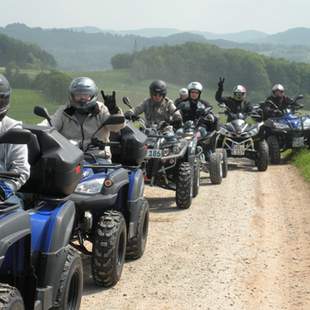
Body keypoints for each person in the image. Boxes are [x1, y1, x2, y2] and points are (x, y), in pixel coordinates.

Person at [46, 77, 124, 159]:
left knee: (105, 171)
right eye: (78, 95)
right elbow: (50, 124)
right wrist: (36, 130)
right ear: (72, 95)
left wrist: (114, 112)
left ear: (92, 95)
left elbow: (115, 128)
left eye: (86, 95)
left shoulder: (101, 109)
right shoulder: (64, 111)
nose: (82, 98)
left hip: (98, 157)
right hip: (70, 157)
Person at [0, 74, 30, 201]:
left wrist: (4, 190)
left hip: (5, 191)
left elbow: (21, 170)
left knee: (11, 216)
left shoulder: (12, 130)